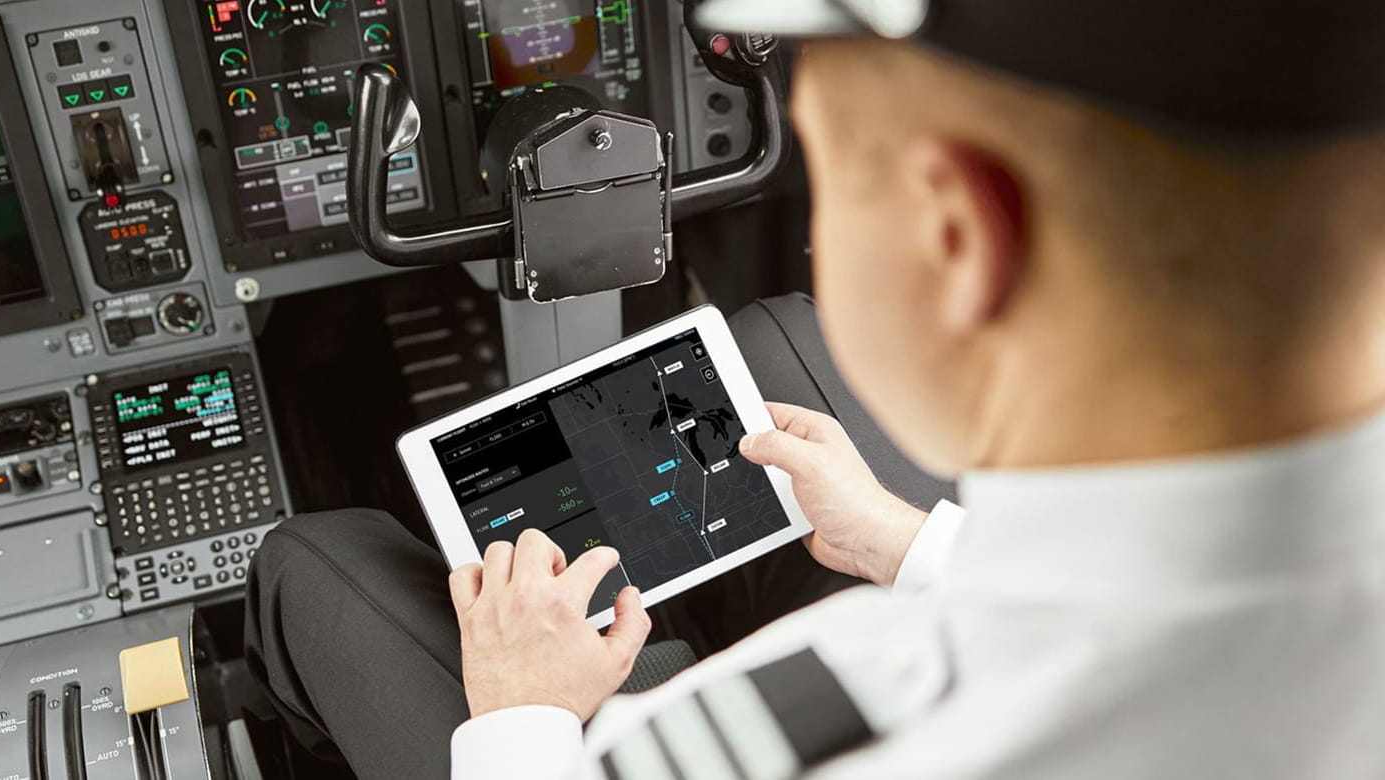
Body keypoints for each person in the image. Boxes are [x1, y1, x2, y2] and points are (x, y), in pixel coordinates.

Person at [246, 1, 1385, 777]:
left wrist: (522, 719)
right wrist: (914, 547)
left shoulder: (801, 726)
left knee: (317, 557)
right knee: (776, 346)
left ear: (956, 241)